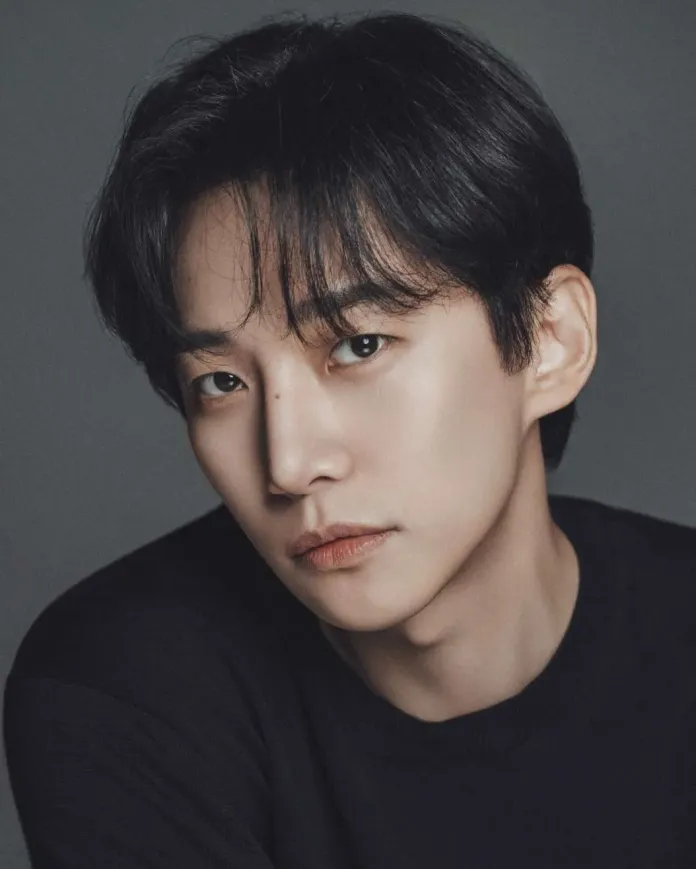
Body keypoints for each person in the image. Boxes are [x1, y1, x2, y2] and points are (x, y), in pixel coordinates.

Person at [4, 9, 696, 867]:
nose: (290, 463)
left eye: (359, 345)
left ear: (551, 342)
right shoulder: (123, 689)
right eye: (221, 383)